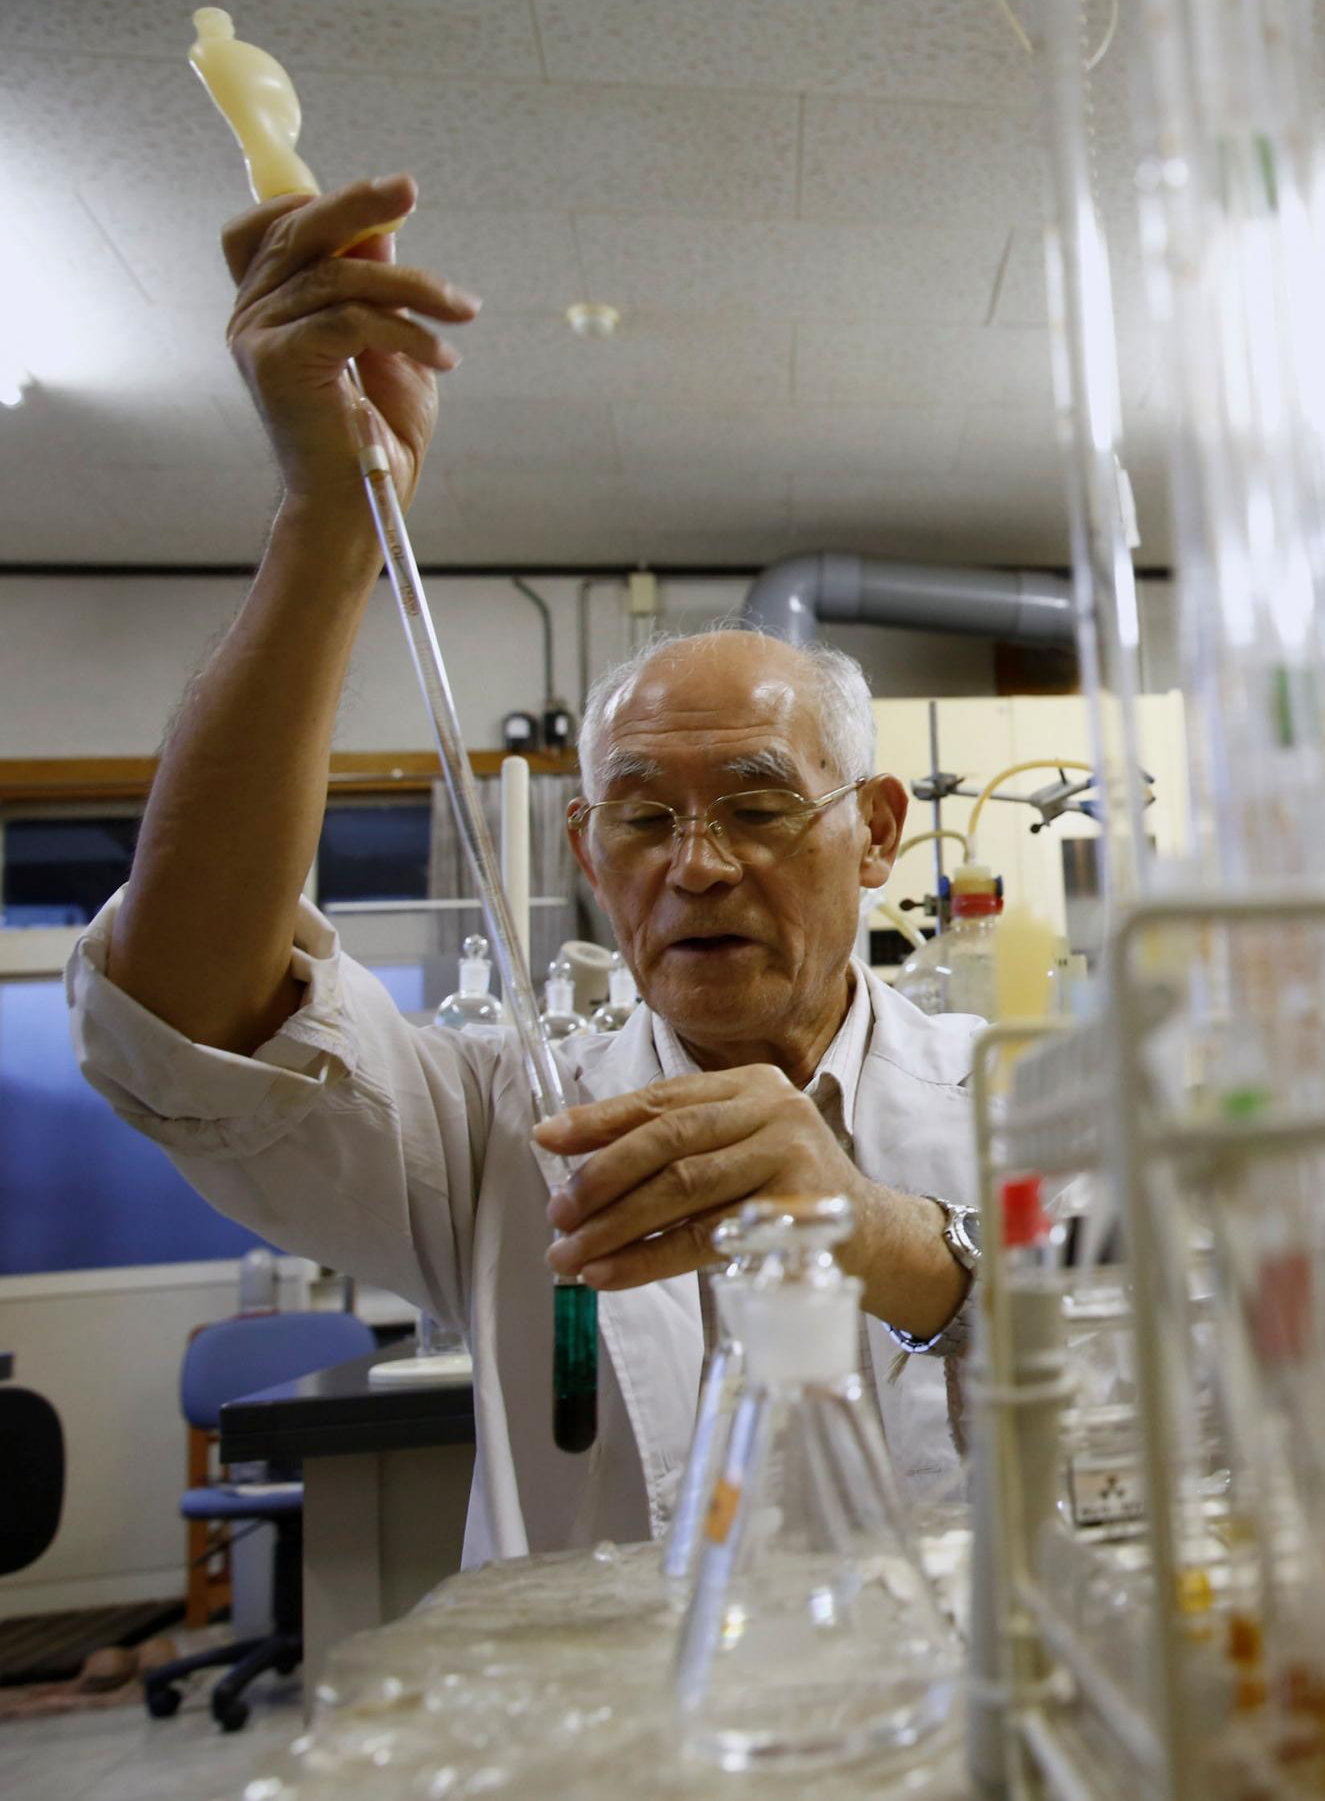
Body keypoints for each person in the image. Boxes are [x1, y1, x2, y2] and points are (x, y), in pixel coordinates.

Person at [67, 174, 984, 1562]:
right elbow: (183, 1019)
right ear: (584, 856)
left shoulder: (1016, 1096)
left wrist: (883, 1237)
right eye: (639, 817)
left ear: (878, 830)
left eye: (755, 806)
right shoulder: (506, 1126)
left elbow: (1168, 1355)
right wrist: (331, 510)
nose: (696, 866)